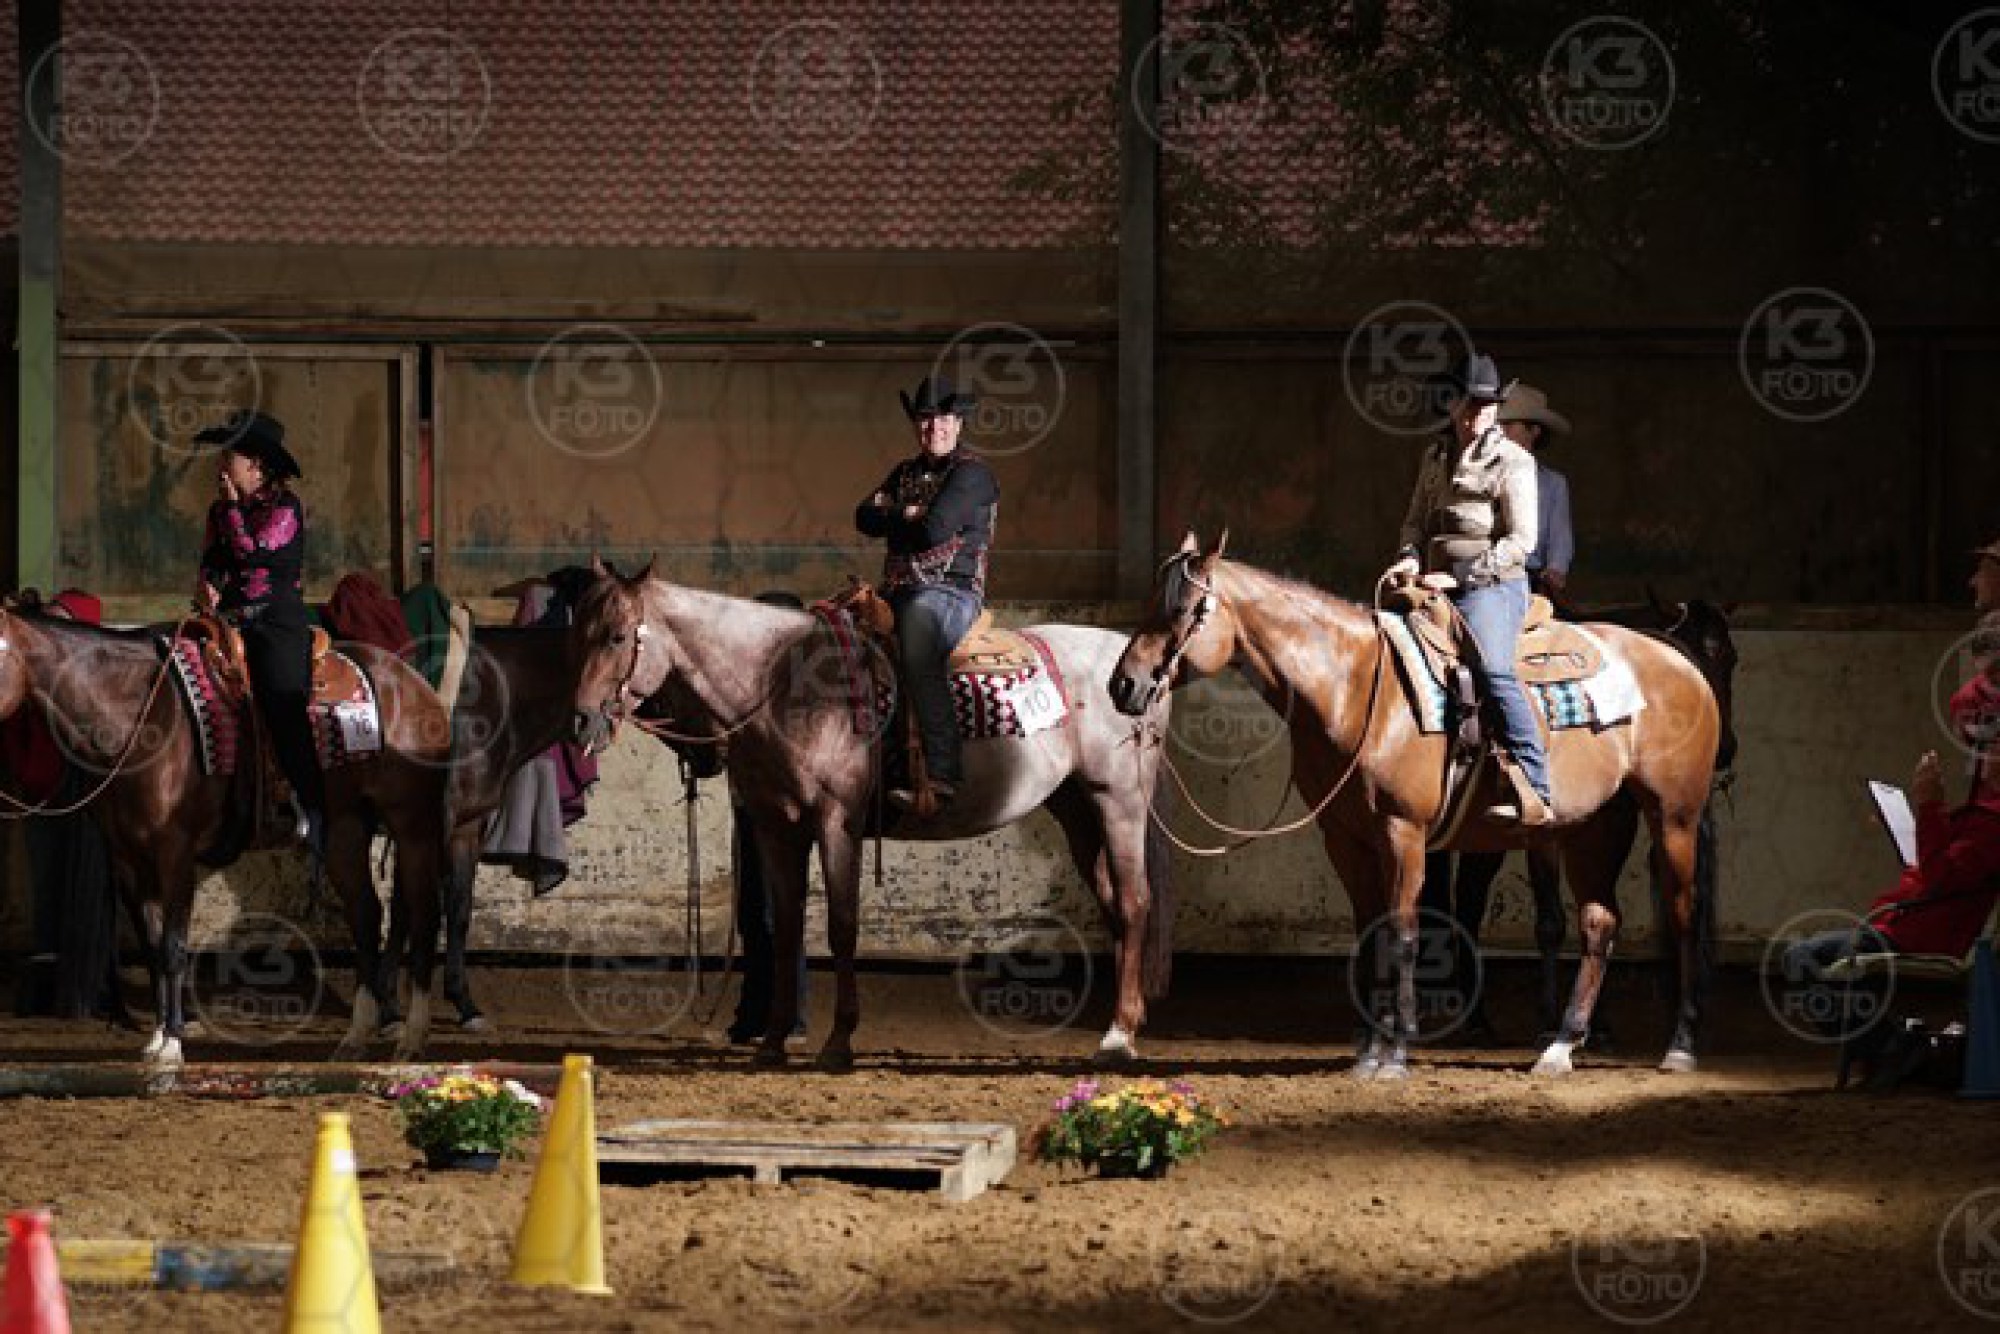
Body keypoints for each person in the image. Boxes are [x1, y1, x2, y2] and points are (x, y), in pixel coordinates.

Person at [1389, 353, 1551, 825]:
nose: (1475, 413)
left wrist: (1460, 577)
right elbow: (1414, 522)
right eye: (1468, 402)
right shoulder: (1435, 457)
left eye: (1485, 404)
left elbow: (1521, 542)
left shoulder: (1514, 461)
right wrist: (1408, 557)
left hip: (1493, 586)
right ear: (1452, 402)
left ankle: (1535, 783)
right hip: (1431, 581)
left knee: (1493, 667)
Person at [854, 376, 999, 812]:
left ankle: (942, 770)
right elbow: (862, 517)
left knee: (918, 633)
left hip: (952, 593)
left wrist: (894, 515)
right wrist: (910, 513)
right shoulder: (904, 473)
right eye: (924, 419)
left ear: (958, 423)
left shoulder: (972, 475)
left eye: (942, 419)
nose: (933, 427)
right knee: (839, 630)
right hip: (898, 590)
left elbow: (935, 530)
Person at [193, 408, 324, 863]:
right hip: (229, 620)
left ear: (255, 464)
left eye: (228, 456)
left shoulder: (284, 508)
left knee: (281, 702)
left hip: (275, 622)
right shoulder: (219, 511)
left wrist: (231, 509)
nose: (220, 464)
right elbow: (214, 560)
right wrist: (207, 584)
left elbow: (253, 553)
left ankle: (313, 805)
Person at [726, 590, 812, 1045]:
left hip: (781, 811)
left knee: (776, 912)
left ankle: (787, 1012)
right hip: (753, 805)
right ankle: (755, 1010)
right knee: (753, 912)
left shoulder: (799, 695)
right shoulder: (752, 686)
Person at [1497, 384, 1574, 604]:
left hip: (1530, 579)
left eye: (1509, 425)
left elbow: (1560, 537)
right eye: (1498, 426)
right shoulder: (1482, 476)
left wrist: (1555, 570)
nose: (1501, 433)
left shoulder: (1552, 484)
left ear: (1534, 431)